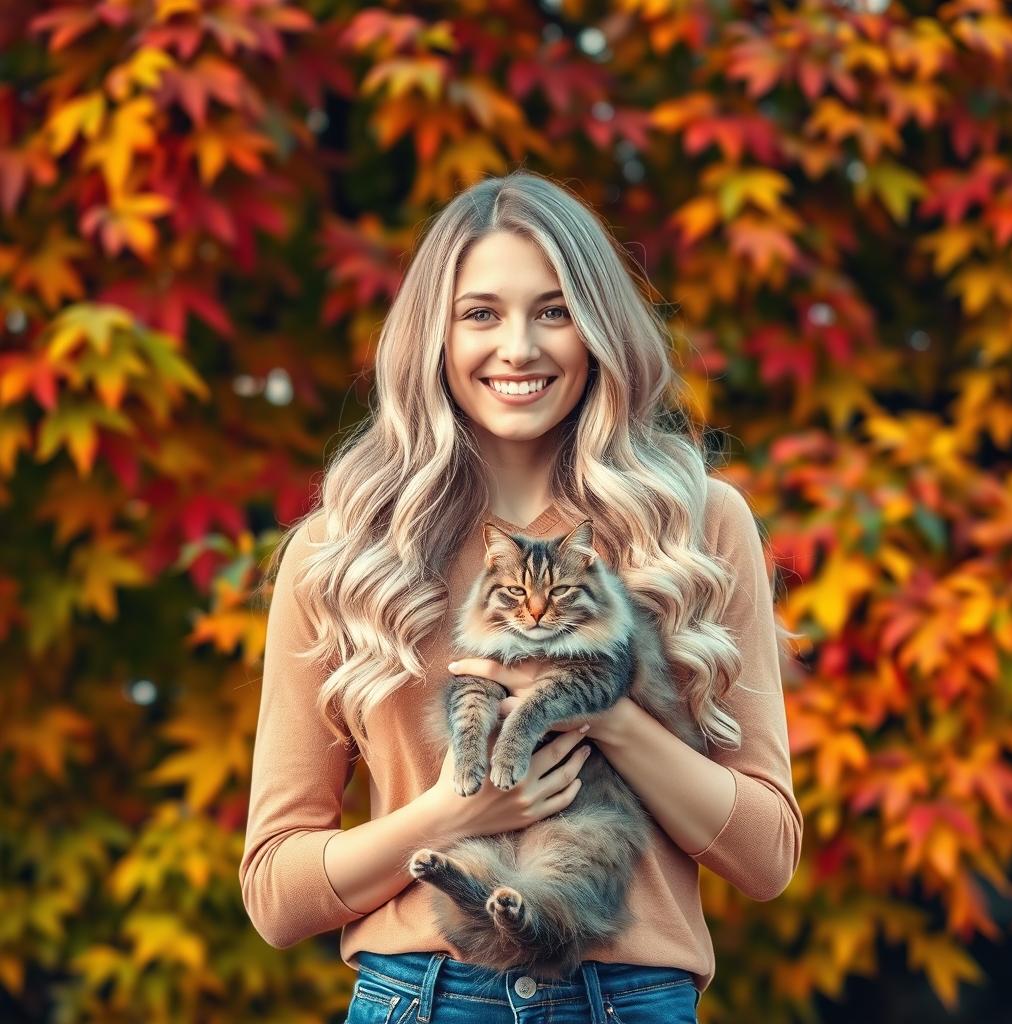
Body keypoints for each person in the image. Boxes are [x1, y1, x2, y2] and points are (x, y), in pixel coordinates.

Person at [239, 170, 803, 1024]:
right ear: (434, 335)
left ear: (598, 329)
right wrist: (456, 812)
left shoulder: (692, 524)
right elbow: (278, 896)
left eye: (553, 310)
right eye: (480, 313)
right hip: (421, 996)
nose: (519, 348)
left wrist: (602, 713)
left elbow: (766, 857)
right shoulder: (343, 551)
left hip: (631, 999)